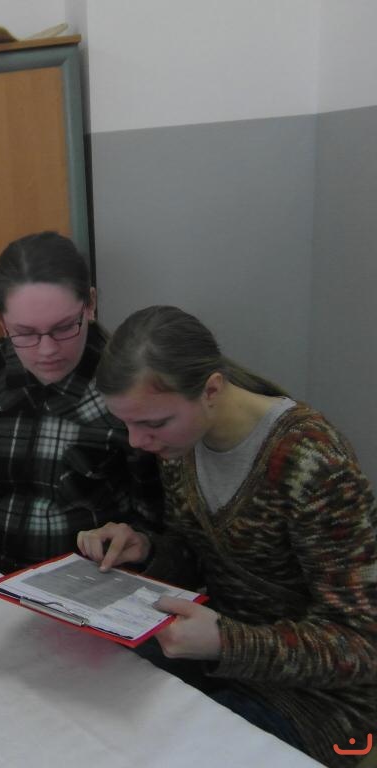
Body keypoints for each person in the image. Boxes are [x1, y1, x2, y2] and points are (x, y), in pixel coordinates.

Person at [77, 305, 377, 766]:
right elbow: (203, 553)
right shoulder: (181, 444)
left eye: (153, 424)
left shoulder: (312, 462)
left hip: (321, 703)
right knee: (88, 697)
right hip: (222, 662)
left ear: (212, 390)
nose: (137, 442)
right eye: (127, 424)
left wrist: (226, 642)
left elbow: (360, 644)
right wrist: (147, 549)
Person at [0, 232, 162, 573]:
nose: (47, 350)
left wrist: (141, 541)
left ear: (89, 304)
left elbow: (160, 519)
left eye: (64, 327)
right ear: (1, 321)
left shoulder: (129, 387)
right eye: (26, 332)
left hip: (91, 579)